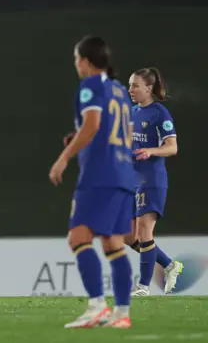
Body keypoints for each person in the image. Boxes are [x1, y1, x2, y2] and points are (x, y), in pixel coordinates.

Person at [49, 35, 133, 328]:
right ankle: (122, 314)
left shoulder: (90, 85)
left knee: (78, 237)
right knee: (113, 243)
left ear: (84, 61)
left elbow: (94, 124)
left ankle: (97, 305)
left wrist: (64, 157)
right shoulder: (120, 90)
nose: (76, 65)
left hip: (100, 175)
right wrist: (80, 139)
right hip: (124, 174)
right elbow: (114, 131)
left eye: (76, 59)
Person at [125, 67, 182, 296]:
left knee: (144, 231)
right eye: (130, 85)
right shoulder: (132, 112)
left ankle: (143, 287)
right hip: (133, 180)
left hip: (152, 180)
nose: (130, 89)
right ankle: (170, 265)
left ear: (148, 88)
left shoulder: (160, 113)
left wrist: (151, 151)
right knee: (128, 236)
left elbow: (172, 147)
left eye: (135, 85)